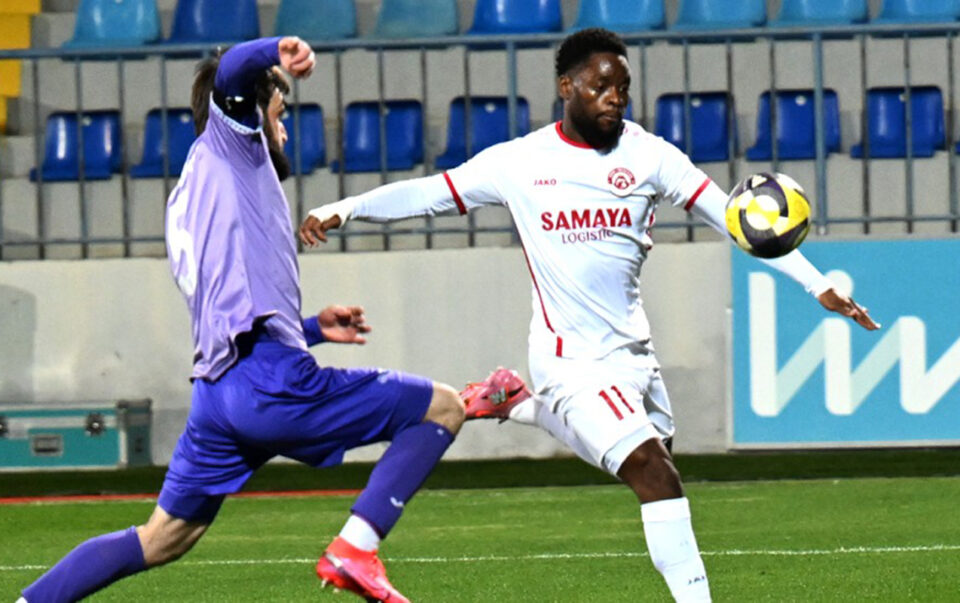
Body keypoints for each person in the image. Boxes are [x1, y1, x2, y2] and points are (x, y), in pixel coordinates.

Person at [299, 28, 880, 603]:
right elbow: (428, 193)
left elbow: (734, 219)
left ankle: (516, 402)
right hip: (569, 361)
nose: (615, 98)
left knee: (653, 457)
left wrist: (818, 283)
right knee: (655, 473)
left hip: (632, 354)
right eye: (602, 86)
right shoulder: (520, 161)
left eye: (623, 87)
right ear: (567, 87)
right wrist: (346, 208)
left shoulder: (650, 156)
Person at [19, 36, 464, 603]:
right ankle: (356, 549)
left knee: (161, 539)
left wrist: (308, 328)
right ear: (249, 109)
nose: (284, 129)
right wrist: (277, 49)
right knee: (442, 407)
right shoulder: (233, 144)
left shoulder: (196, 187)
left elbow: (231, 308)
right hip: (268, 384)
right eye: (279, 113)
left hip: (218, 394)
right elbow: (230, 69)